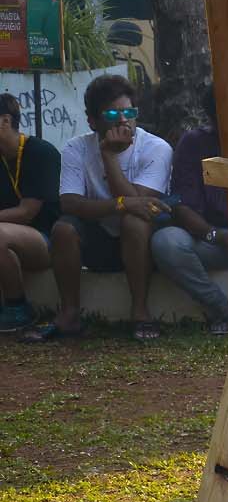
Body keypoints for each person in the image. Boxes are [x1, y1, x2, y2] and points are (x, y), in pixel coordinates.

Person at [25, 74, 172, 342]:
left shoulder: (156, 148)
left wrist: (109, 157)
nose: (123, 120)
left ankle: (140, 311)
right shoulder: (76, 148)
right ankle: (70, 313)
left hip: (142, 244)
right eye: (113, 113)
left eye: (129, 112)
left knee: (134, 221)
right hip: (97, 241)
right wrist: (121, 204)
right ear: (92, 121)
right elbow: (70, 202)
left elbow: (142, 206)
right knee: (64, 229)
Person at [153, 87, 228, 336]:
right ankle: (223, 310)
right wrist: (217, 235)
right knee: (166, 241)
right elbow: (182, 206)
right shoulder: (194, 143)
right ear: (212, 116)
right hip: (213, 239)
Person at [0, 94, 60, 332]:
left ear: (5, 121)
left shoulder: (41, 152)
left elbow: (27, 213)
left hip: (47, 240)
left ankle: (18, 309)